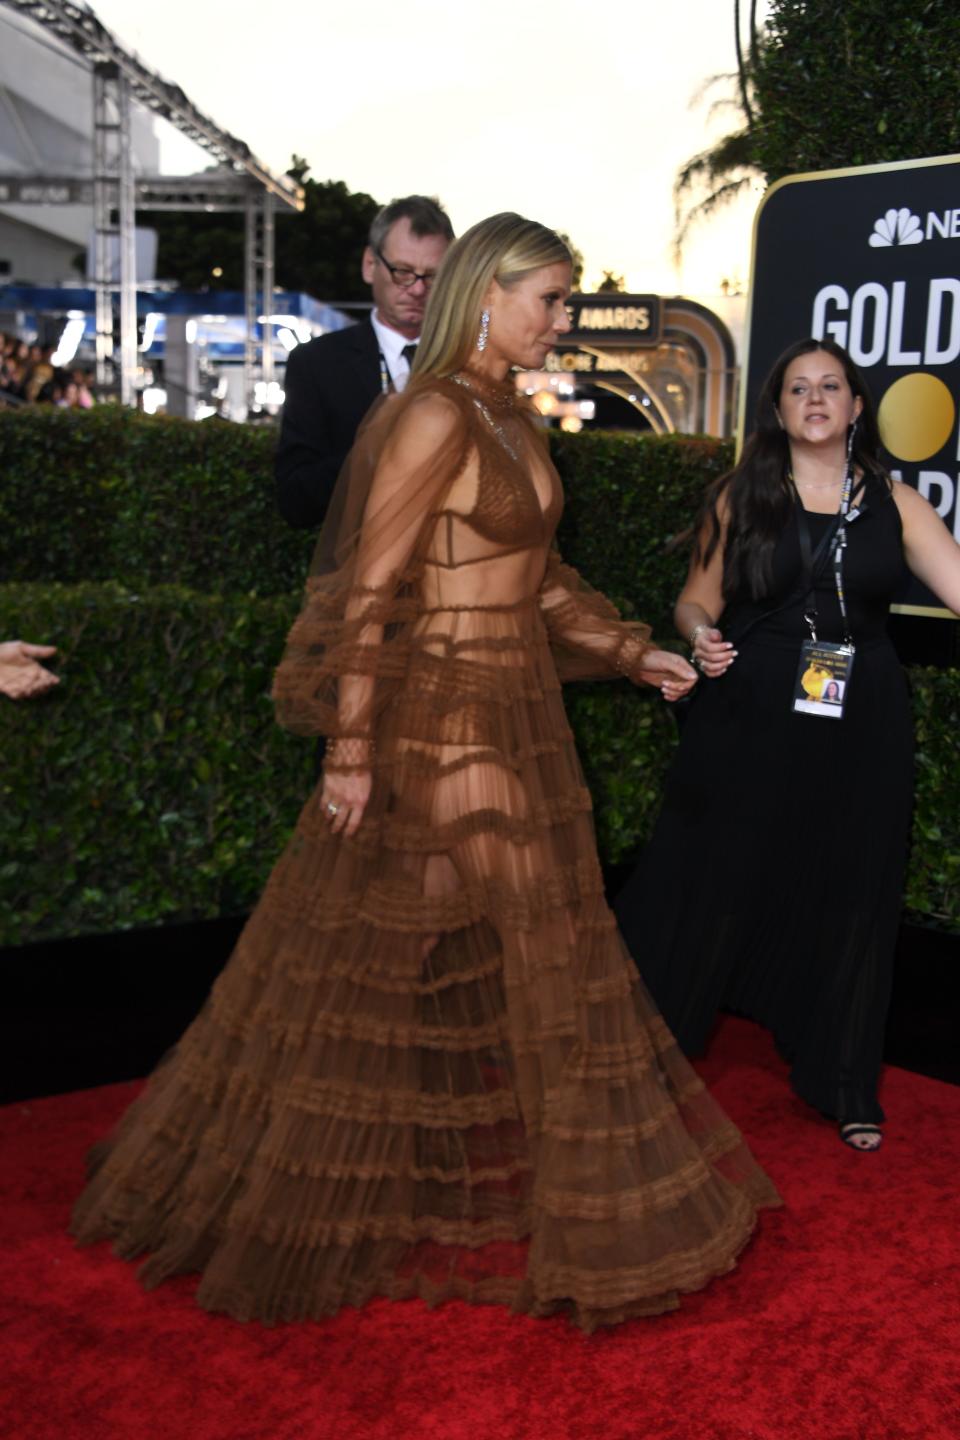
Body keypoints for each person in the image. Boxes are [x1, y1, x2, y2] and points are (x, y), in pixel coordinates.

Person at [72, 214, 779, 1332]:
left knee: (383, 946)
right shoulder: (431, 415)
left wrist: (629, 650)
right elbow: (370, 589)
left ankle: (258, 1173)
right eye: (548, 298)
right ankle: (599, 1226)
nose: (562, 319)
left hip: (516, 702)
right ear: (485, 297)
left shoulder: (505, 416)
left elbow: (534, 578)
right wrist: (350, 750)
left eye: (566, 297)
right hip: (448, 712)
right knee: (552, 944)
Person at [616, 337, 960, 1152]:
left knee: (855, 887)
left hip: (862, 709)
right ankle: (650, 1061)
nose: (814, 399)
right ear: (776, 410)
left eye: (830, 386)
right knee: (708, 876)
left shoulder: (898, 504)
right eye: (797, 388)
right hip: (750, 703)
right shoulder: (742, 495)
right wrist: (702, 638)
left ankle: (842, 1080)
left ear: (855, 405)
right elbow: (694, 602)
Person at [275, 195, 454, 531]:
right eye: (403, 272)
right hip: (355, 566)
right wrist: (373, 452)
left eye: (432, 277)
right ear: (370, 265)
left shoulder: (466, 362)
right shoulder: (316, 364)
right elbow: (296, 501)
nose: (417, 289)